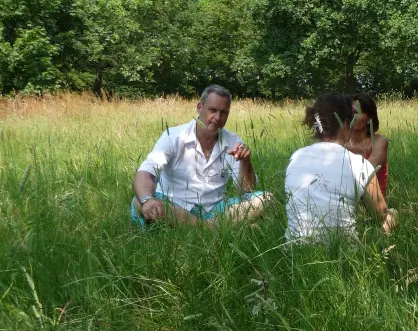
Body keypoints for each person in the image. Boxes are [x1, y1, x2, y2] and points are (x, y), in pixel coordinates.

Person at [131, 84, 271, 229]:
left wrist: (245, 162)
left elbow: (246, 191)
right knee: (139, 201)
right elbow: (145, 174)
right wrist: (147, 200)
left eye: (224, 112)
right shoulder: (174, 136)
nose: (218, 118)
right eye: (212, 110)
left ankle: (203, 227)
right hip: (174, 206)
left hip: (215, 210)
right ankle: (215, 228)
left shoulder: (233, 142)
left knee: (266, 199)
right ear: (199, 107)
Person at [285, 92, 397, 242]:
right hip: (344, 253)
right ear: (345, 124)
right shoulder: (359, 164)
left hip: (294, 252)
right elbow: (380, 214)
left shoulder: (296, 157)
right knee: (391, 213)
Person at [345, 93, 389, 198]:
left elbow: (366, 173)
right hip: (346, 197)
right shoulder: (341, 142)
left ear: (369, 117)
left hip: (373, 202)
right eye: (348, 112)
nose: (351, 116)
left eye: (356, 112)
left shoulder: (379, 141)